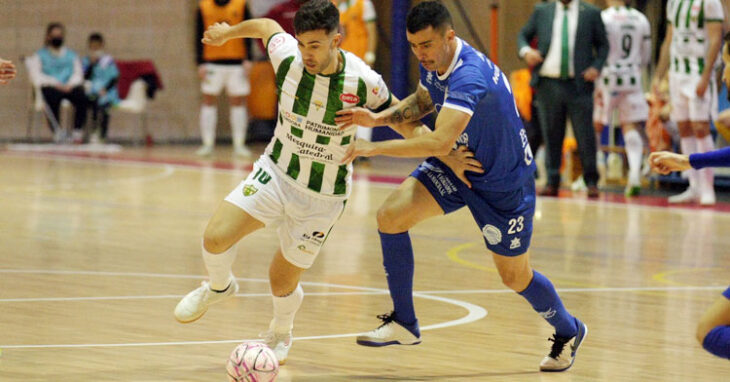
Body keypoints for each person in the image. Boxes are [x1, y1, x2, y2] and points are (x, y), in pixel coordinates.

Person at [336, 1, 587, 372]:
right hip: (460, 165)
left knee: (514, 276)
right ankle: (405, 322)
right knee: (390, 216)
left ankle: (569, 329)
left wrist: (371, 143)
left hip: (504, 186)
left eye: (427, 45)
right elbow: (423, 102)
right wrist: (379, 117)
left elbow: (437, 141)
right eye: (414, 46)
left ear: (449, 37)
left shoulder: (469, 76)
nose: (421, 55)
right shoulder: (438, 62)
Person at [174, 0, 395, 365]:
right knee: (214, 238)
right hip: (276, 172)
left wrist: (433, 144)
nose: (306, 53)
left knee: (280, 277)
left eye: (315, 46)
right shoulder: (288, 55)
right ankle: (219, 286)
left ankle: (280, 331)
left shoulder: (364, 81)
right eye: (302, 43)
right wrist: (228, 33)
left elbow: (399, 112)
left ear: (336, 41)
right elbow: (264, 27)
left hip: (323, 197)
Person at [518, 0, 609, 198]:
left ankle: (591, 181)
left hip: (580, 83)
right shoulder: (542, 10)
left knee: (585, 134)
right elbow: (523, 35)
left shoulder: (591, 13)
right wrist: (526, 51)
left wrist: (596, 67)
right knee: (551, 134)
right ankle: (552, 181)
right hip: (548, 82)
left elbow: (603, 46)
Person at [652, 0, 724, 205]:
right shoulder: (673, 3)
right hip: (677, 74)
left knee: (701, 127)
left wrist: (706, 76)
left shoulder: (710, 3)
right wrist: (659, 75)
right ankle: (693, 186)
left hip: (698, 72)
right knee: (683, 127)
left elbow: (716, 38)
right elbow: (669, 39)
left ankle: (708, 187)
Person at [593, 0, 651, 196]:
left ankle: (595, 171)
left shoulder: (603, 17)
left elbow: (596, 49)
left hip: (608, 76)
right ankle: (634, 172)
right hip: (632, 77)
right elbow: (646, 54)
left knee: (596, 124)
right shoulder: (640, 18)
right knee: (630, 125)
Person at [196, 0, 253, 157]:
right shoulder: (204, 6)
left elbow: (248, 31)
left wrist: (249, 58)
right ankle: (207, 144)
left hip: (237, 62)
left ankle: (239, 144)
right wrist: (200, 62)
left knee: (237, 102)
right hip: (211, 62)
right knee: (208, 101)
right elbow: (198, 33)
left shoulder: (240, 4)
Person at [28, 22, 88, 143]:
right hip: (52, 87)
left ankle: (77, 132)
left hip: (68, 86)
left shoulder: (72, 55)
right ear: (48, 37)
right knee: (51, 97)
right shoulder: (40, 55)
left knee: (82, 96)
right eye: (54, 35)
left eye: (59, 35)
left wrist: (70, 84)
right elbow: (36, 76)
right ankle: (57, 132)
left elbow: (78, 74)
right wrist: (55, 83)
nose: (57, 38)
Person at [336, 0, 378, 158]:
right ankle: (344, 146)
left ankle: (363, 148)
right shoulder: (333, 5)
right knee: (342, 103)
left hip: (359, 61)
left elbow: (372, 31)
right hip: (340, 63)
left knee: (363, 102)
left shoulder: (364, 4)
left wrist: (370, 55)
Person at [82, 33, 120, 144]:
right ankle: (91, 131)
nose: (95, 49)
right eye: (92, 46)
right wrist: (92, 64)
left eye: (97, 46)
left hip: (107, 91)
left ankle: (102, 134)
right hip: (92, 90)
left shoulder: (108, 61)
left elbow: (114, 78)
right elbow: (85, 77)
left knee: (104, 106)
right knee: (89, 102)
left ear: (102, 46)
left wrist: (105, 89)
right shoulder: (86, 60)